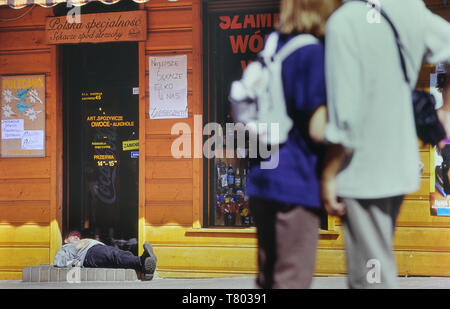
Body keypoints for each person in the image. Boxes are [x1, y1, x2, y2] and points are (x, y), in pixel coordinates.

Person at [321, 0, 450, 288]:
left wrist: (328, 174)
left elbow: (344, 120)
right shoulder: (409, 8)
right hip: (399, 163)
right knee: (377, 264)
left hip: (363, 170)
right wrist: (447, 109)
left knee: (370, 277)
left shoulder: (343, 22)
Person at [246, 0, 341, 289]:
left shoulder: (273, 45)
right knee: (291, 279)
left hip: (262, 177)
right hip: (296, 181)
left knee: (268, 277)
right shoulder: (311, 52)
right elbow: (317, 128)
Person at [53, 230, 157, 281]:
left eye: (78, 235)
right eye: (73, 235)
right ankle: (142, 261)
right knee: (114, 255)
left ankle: (145, 267)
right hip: (89, 254)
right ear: (66, 240)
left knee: (119, 254)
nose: (77, 236)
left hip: (96, 249)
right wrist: (76, 261)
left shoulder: (79, 243)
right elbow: (59, 262)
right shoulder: (65, 248)